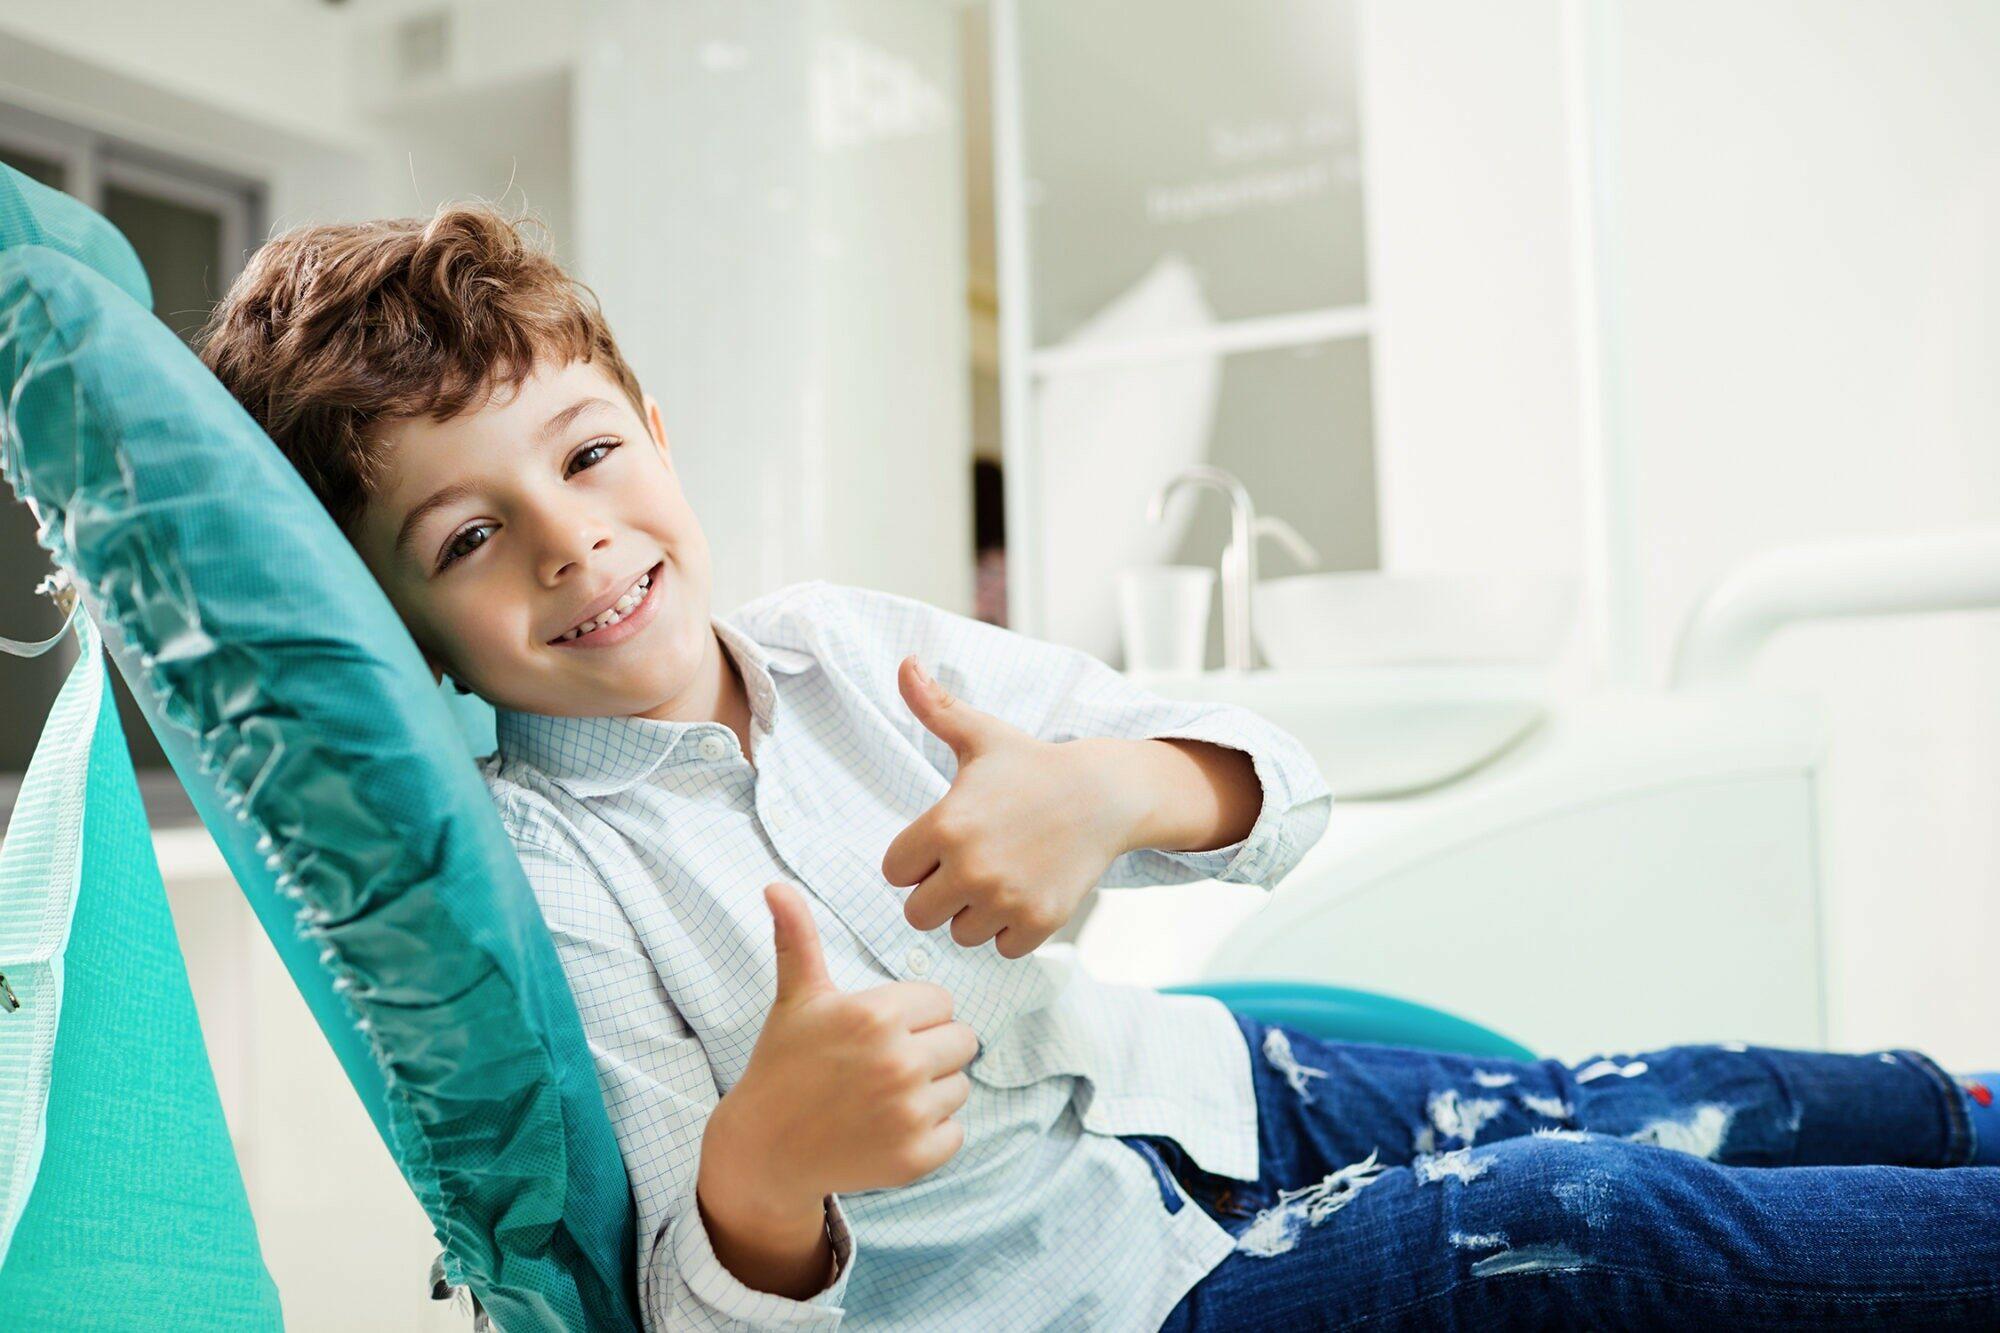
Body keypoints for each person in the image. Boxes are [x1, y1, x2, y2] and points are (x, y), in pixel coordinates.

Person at [198, 204, 2000, 1331]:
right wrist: (768, 1168)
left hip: (1210, 1096)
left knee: (1667, 1089)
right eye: (466, 539)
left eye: (588, 456)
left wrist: (1120, 791)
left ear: (657, 429)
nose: (572, 543)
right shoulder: (554, 881)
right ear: (403, 630)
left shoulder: (850, 650)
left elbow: (1278, 786)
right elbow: (692, 1300)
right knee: (1583, 1219)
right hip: (1114, 1295)